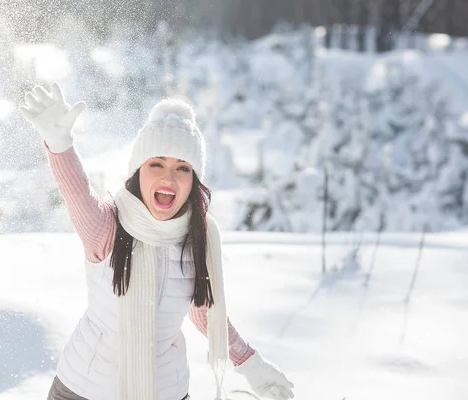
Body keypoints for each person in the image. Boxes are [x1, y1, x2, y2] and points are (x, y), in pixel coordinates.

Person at [19, 83, 294, 400]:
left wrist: (252, 366)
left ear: (193, 181)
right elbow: (77, 192)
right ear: (138, 172)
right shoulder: (107, 227)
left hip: (166, 391)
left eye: (182, 168)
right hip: (84, 389)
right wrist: (60, 145)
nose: (169, 177)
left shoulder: (198, 243)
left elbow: (207, 316)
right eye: (156, 164)